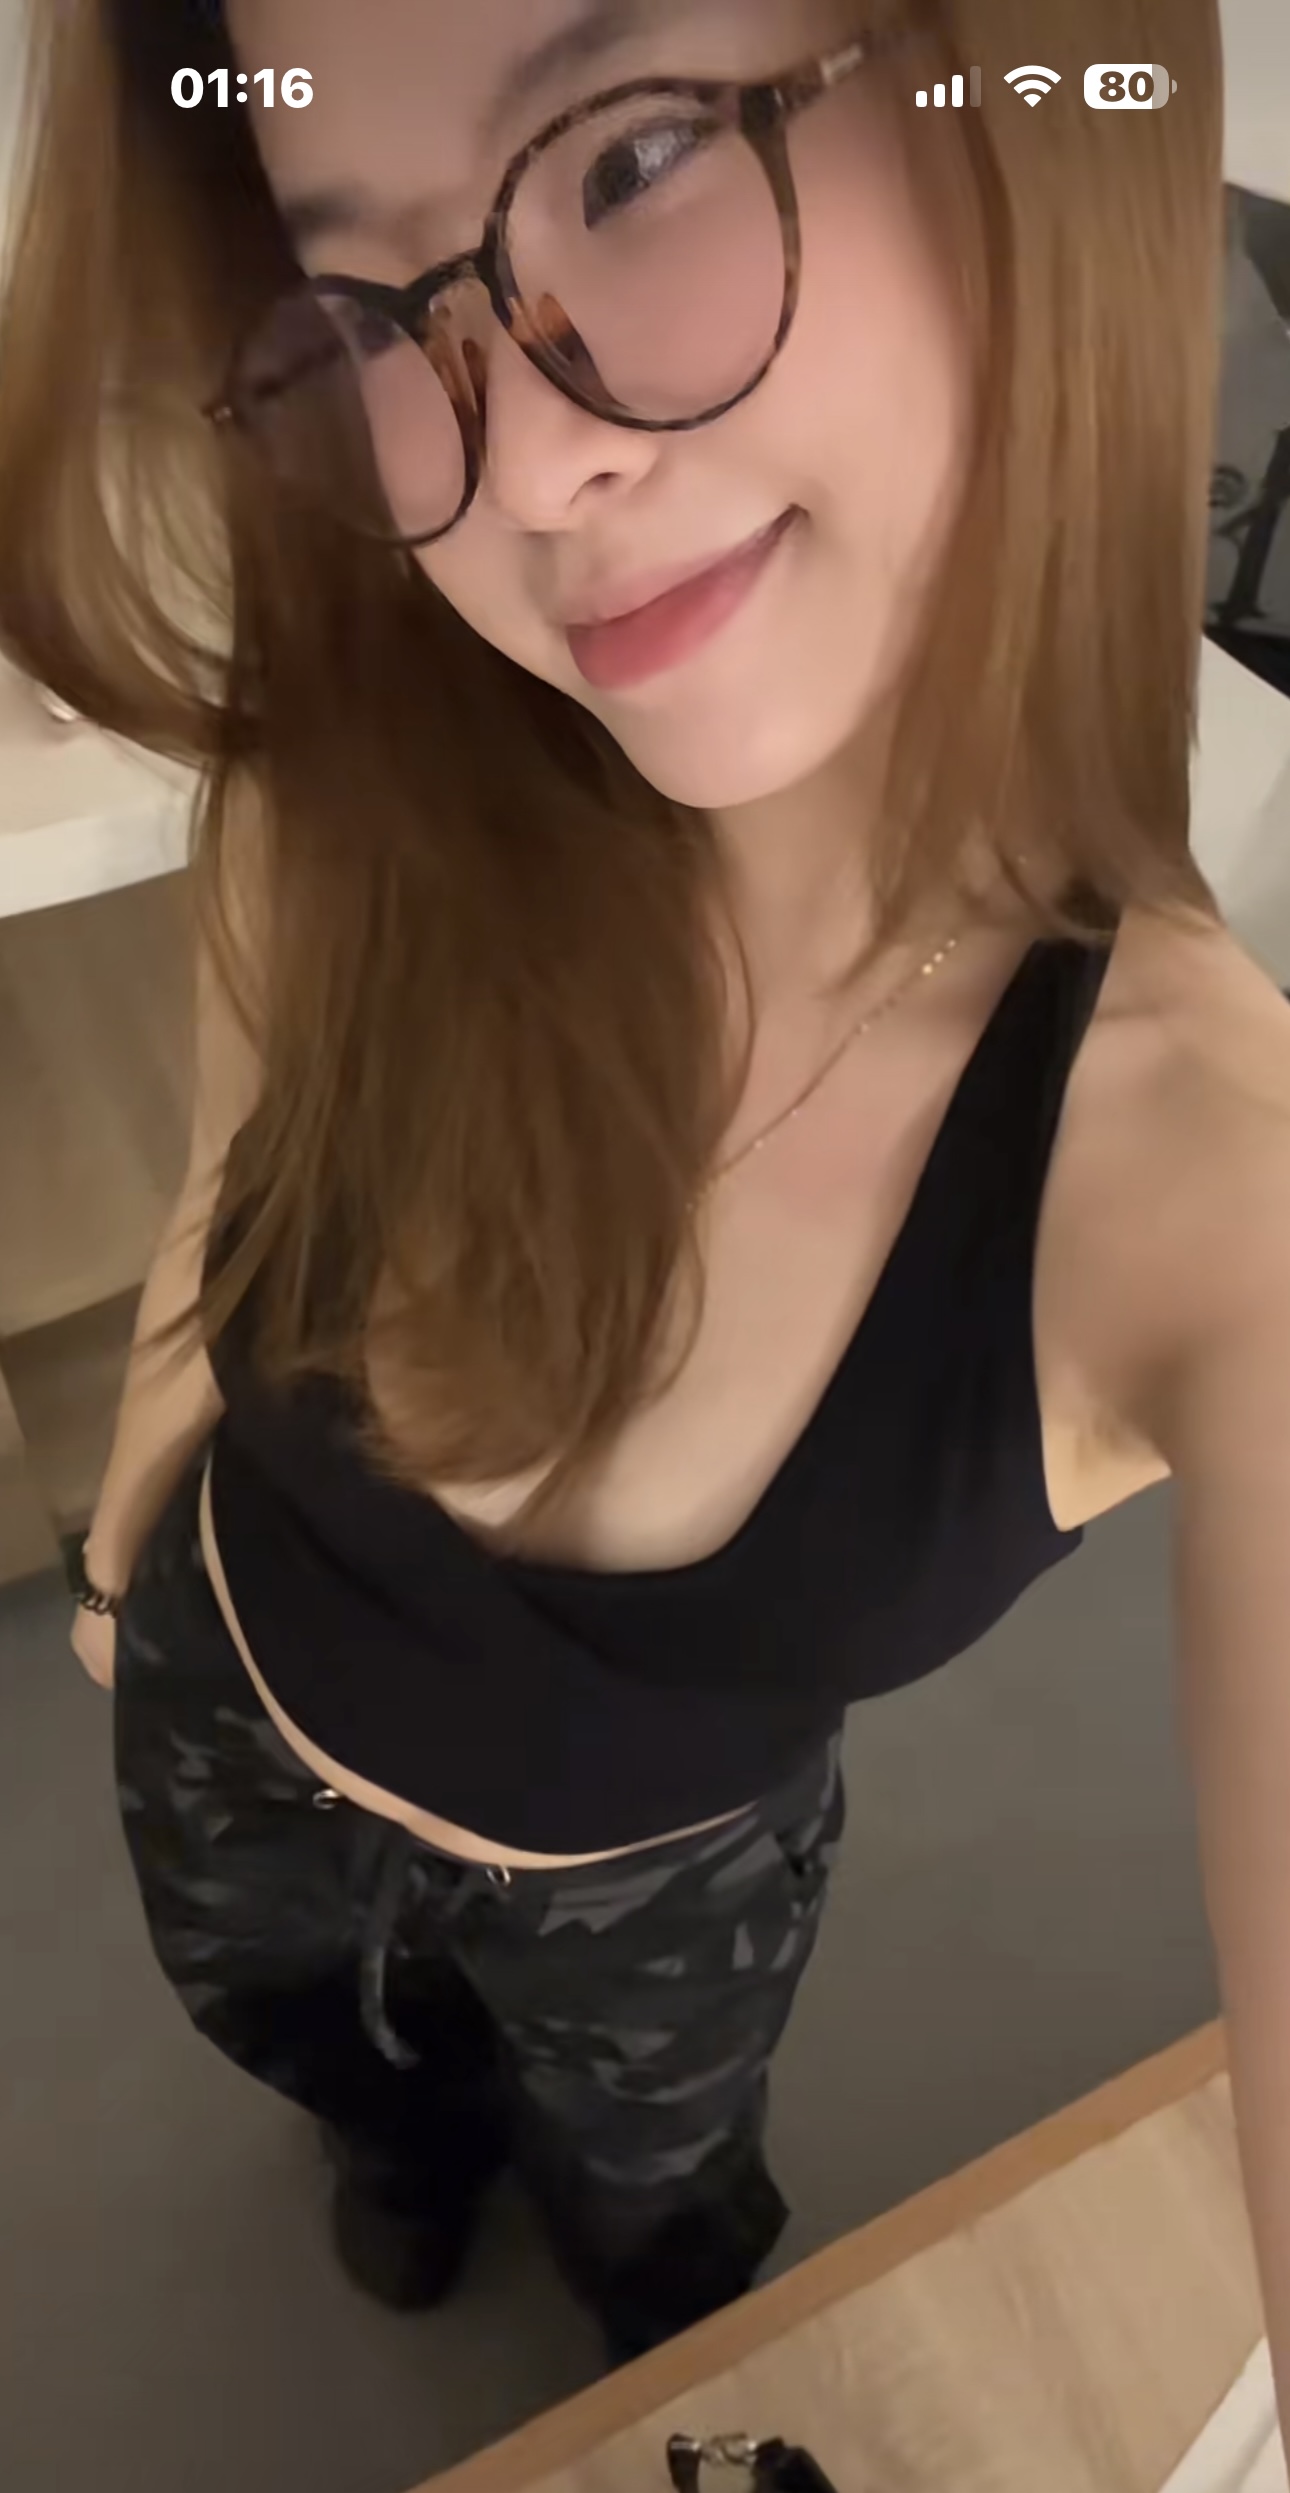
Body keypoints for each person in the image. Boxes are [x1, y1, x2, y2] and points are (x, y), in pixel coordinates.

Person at [4, 0, 1290, 2403]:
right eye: (365, 307)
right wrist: (121, 1557)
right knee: (307, 2049)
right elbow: (227, 1200)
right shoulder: (353, 803)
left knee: (660, 2227)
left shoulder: (1206, 1182)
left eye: (638, 156)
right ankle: (397, 2144)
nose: (523, 461)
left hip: (648, 1898)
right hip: (219, 1697)